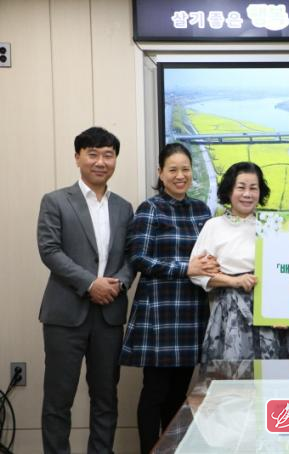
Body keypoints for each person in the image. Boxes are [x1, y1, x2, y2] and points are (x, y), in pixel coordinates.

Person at [37, 127, 134, 453]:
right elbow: (50, 250)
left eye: (108, 155)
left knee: (106, 398)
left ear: (115, 159)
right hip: (65, 315)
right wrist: (90, 283)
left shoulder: (124, 207)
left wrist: (119, 283)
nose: (100, 161)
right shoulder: (55, 201)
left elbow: (131, 256)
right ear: (77, 157)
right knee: (58, 400)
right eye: (92, 154)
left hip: (109, 315)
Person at [120, 143, 219, 453]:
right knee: (155, 392)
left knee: (179, 394)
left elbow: (209, 256)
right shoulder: (150, 209)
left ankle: (172, 448)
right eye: (173, 170)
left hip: (192, 312)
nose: (180, 175)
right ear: (160, 173)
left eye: (185, 169)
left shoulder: (201, 210)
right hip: (160, 313)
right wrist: (185, 268)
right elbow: (139, 259)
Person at [190, 162, 289, 361]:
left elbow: (287, 273)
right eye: (241, 187)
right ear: (229, 190)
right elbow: (197, 274)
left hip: (270, 311)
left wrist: (285, 311)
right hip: (229, 313)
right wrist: (234, 281)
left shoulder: (272, 226)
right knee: (232, 374)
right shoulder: (214, 226)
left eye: (253, 188)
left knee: (273, 374)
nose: (247, 194)